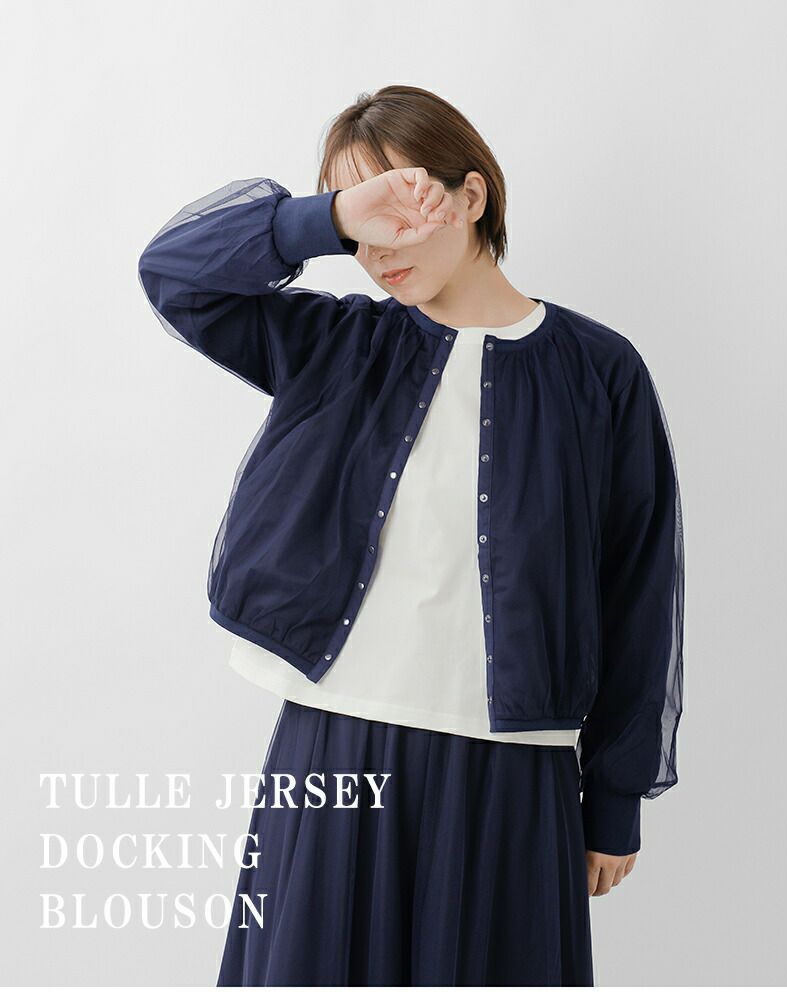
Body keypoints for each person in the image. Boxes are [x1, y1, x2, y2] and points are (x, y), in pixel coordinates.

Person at [137, 84, 684, 987]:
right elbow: (173, 274)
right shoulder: (336, 347)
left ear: (472, 197)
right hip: (336, 749)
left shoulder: (599, 373)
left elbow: (638, 588)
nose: (378, 249)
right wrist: (324, 220)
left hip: (513, 774)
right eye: (361, 225)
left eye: (399, 208)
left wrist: (615, 796)